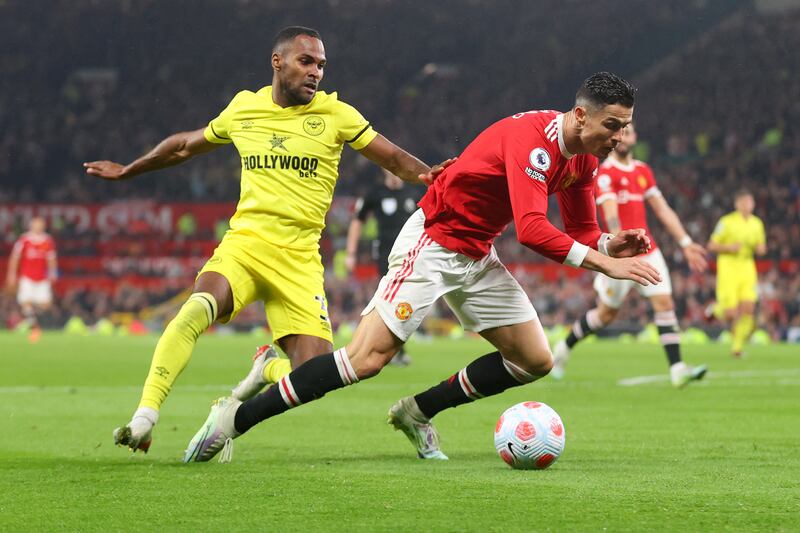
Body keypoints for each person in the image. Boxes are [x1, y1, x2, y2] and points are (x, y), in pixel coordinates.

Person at [182, 71, 662, 463]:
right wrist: (604, 266)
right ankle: (231, 420)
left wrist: (610, 244)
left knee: (535, 360)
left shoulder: (583, 159)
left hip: (476, 251)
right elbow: (533, 229)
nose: (620, 138)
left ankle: (416, 412)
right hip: (434, 240)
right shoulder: (532, 141)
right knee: (367, 359)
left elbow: (580, 229)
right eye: (613, 126)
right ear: (581, 115)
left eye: (624, 127)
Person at [84, 26, 443, 454]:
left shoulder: (337, 115)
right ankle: (145, 416)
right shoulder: (244, 109)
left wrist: (438, 178)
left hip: (300, 261)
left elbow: (396, 160)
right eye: (306, 62)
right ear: (278, 62)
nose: (316, 73)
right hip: (246, 246)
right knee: (194, 311)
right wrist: (129, 170)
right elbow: (183, 146)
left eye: (321, 65)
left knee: (314, 376)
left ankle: (265, 370)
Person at [550, 123, 709, 387]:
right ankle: (564, 347)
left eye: (630, 131)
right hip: (620, 254)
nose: (624, 135)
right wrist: (618, 245)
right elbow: (610, 212)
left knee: (664, 304)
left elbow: (662, 209)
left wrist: (685, 242)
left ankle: (677, 368)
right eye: (620, 131)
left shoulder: (643, 171)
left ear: (635, 138)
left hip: (648, 250)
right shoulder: (605, 172)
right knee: (605, 315)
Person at [345, 168, 425, 366]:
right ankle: (391, 348)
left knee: (407, 298)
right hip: (385, 254)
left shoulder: (414, 194)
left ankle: (392, 346)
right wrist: (351, 253)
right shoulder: (375, 193)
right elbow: (357, 221)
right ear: (384, 169)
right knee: (388, 298)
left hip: (411, 253)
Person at [707, 190, 766, 358]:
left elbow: (761, 245)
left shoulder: (757, 223)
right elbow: (711, 245)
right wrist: (728, 248)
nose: (748, 205)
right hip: (728, 267)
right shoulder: (726, 222)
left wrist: (761, 249)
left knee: (748, 307)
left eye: (750, 202)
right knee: (730, 314)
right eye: (744, 202)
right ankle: (715, 309)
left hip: (747, 267)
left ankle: (737, 348)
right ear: (737, 204)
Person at [5, 216, 57, 343]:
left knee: (47, 305)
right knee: (25, 302)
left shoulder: (47, 241)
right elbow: (15, 257)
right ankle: (34, 328)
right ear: (31, 226)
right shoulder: (24, 239)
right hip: (27, 277)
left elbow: (51, 259)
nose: (38, 227)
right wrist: (11, 274)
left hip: (42, 278)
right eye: (36, 224)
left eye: (40, 224)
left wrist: (53, 273)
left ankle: (31, 319)